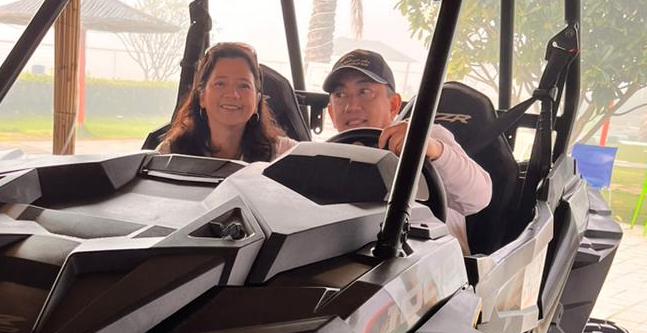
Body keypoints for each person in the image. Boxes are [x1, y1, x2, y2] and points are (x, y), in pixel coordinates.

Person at [323, 50, 492, 251]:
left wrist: (432, 149)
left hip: (436, 268)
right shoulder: (324, 160)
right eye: (340, 95)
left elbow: (478, 198)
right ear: (331, 113)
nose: (351, 106)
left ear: (393, 104)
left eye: (365, 91)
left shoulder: (428, 136)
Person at [158, 42, 295, 164]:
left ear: (257, 101)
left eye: (243, 85)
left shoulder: (284, 154)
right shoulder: (169, 154)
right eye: (220, 83)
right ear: (202, 97)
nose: (232, 94)